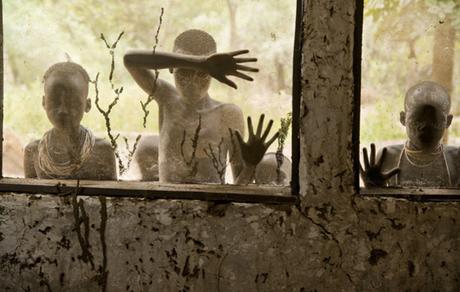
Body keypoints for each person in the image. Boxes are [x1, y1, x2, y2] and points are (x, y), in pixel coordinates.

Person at [124, 29, 278, 184]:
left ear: (213, 75)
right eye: (183, 72)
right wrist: (201, 64)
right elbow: (129, 59)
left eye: (202, 74)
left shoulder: (227, 114)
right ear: (171, 68)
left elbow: (239, 187)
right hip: (168, 203)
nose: (192, 83)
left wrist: (250, 166)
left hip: (209, 206)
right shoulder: (167, 98)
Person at [24, 62, 117, 180]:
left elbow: (112, 196)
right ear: (44, 102)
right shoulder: (33, 151)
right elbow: (28, 196)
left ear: (87, 105)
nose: (63, 110)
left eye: (72, 102)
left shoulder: (102, 150)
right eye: (54, 101)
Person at [360, 81, 460, 187]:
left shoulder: (456, 157)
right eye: (418, 120)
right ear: (403, 118)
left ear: (448, 121)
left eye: (435, 121)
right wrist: (373, 188)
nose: (425, 127)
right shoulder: (387, 156)